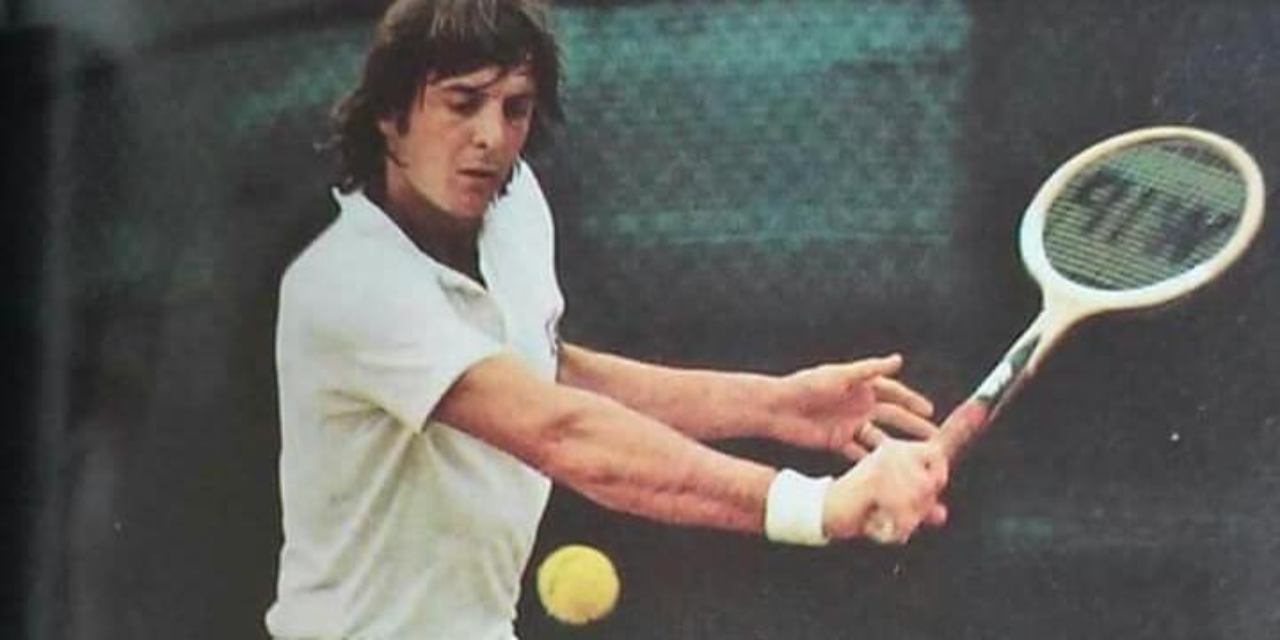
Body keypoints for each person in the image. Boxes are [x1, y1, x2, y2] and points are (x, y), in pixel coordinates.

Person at [265, 1, 950, 638]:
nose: (491, 137)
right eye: (462, 103)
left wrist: (773, 405)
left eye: (515, 108)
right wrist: (816, 507)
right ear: (390, 115)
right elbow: (560, 432)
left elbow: (546, 370)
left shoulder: (513, 210)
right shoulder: (351, 285)